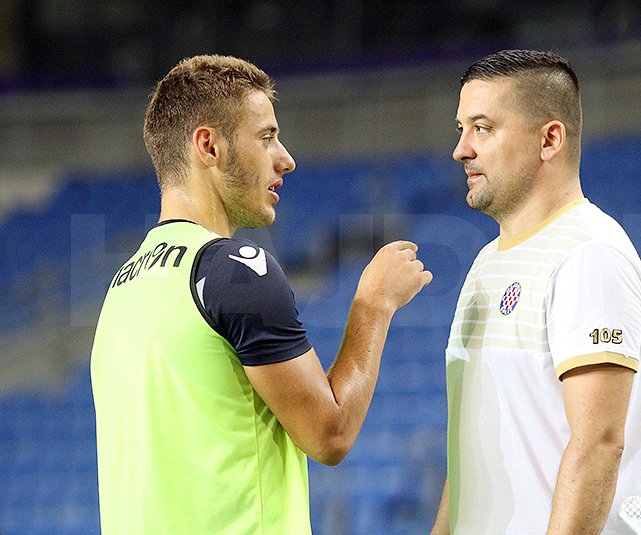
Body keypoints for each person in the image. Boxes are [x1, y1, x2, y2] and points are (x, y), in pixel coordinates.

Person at [90, 54, 432, 535]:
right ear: (208, 145)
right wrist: (374, 305)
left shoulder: (121, 289)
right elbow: (330, 435)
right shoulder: (233, 270)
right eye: (266, 137)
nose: (286, 157)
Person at [430, 50, 641, 534]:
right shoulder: (486, 263)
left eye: (482, 128)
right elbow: (471, 446)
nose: (461, 149)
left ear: (550, 139)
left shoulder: (589, 254)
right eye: (460, 129)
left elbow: (598, 443)